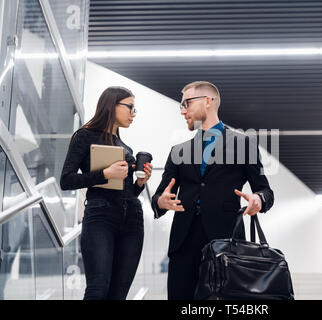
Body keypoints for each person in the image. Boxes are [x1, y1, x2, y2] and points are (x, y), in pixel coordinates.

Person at [151, 81, 274, 300]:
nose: (182, 110)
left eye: (186, 103)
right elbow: (159, 195)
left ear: (208, 101)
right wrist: (161, 201)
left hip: (227, 243)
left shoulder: (243, 144)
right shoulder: (178, 150)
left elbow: (265, 190)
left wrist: (258, 199)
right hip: (183, 243)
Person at [60, 86, 152, 300]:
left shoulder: (125, 147)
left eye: (134, 109)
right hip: (100, 216)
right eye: (130, 107)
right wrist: (105, 174)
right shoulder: (84, 136)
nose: (133, 113)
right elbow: (66, 180)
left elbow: (128, 193)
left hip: (132, 219)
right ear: (112, 105)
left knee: (119, 293)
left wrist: (140, 183)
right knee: (98, 287)